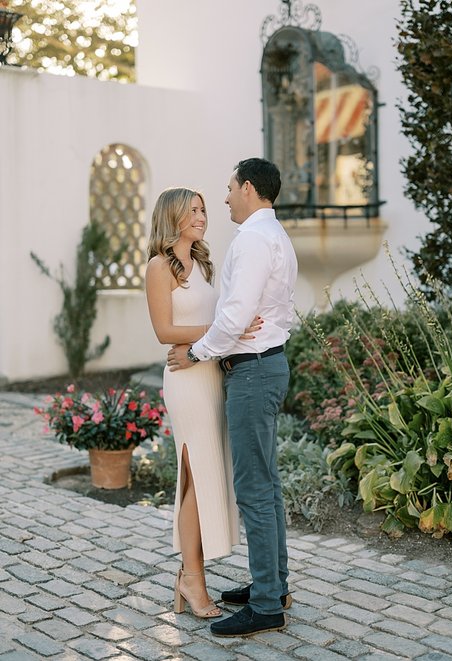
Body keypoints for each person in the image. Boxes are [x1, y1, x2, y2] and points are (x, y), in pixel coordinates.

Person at [167, 158, 297, 637]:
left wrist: (198, 352)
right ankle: (274, 584)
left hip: (253, 374)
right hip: (266, 365)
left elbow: (235, 315)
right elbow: (244, 316)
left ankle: (266, 604)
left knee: (255, 489)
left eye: (226, 190)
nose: (222, 200)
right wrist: (233, 329)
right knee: (267, 483)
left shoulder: (253, 240)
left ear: (247, 188)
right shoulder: (275, 235)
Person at [145, 187, 259, 618]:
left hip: (211, 374)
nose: (201, 215)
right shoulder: (160, 266)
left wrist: (227, 334)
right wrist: (224, 330)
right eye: (191, 210)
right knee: (196, 478)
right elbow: (164, 330)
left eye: (203, 209)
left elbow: (213, 326)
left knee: (206, 478)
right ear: (171, 216)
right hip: (186, 381)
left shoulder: (205, 263)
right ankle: (192, 580)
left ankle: (190, 578)